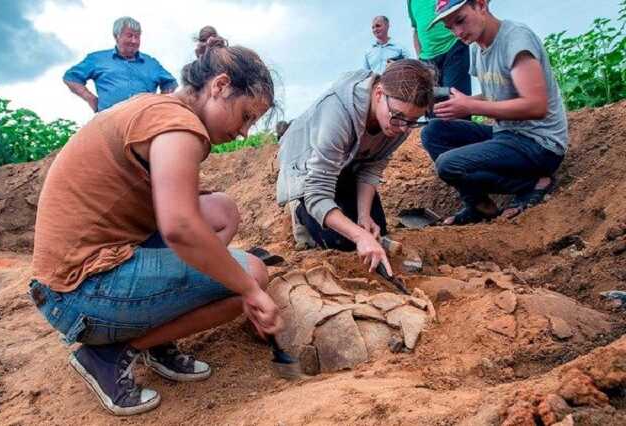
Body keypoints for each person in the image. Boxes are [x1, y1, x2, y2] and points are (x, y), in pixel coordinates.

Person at [30, 39, 282, 416]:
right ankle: (110, 354)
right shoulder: (178, 125)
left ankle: (155, 335)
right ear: (220, 86)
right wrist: (248, 288)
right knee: (252, 273)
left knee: (222, 210)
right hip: (79, 292)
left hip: (67, 279)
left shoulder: (158, 109)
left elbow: (187, 211)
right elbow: (179, 226)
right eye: (246, 116)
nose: (245, 131)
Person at [276, 60, 434, 273]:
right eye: (398, 117)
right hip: (307, 169)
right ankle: (298, 208)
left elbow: (372, 166)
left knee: (376, 230)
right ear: (378, 94)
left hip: (348, 164)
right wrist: (359, 236)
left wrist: (363, 216)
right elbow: (317, 192)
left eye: (413, 120)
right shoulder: (338, 113)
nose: (404, 128)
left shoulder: (398, 122)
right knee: (341, 243)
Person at [420, 0, 568, 225]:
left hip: (539, 144)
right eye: (450, 27)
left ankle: (533, 184)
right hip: (507, 134)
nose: (457, 32)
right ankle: (480, 205)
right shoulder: (476, 46)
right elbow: (496, 95)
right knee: (433, 132)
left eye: (460, 20)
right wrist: (463, 102)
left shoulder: (516, 39)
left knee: (448, 164)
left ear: (481, 5)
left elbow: (536, 106)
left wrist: (470, 106)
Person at [63, 16, 178, 113]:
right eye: (129, 36)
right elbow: (71, 77)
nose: (134, 41)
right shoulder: (97, 59)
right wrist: (91, 99)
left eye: (137, 37)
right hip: (109, 121)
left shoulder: (151, 63)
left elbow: (170, 82)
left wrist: (161, 103)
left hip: (145, 122)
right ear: (116, 36)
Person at [407, 0, 471, 98]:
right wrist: (420, 58)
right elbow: (416, 29)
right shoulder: (410, 2)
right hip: (426, 59)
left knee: (455, 97)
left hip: (453, 48)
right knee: (430, 100)